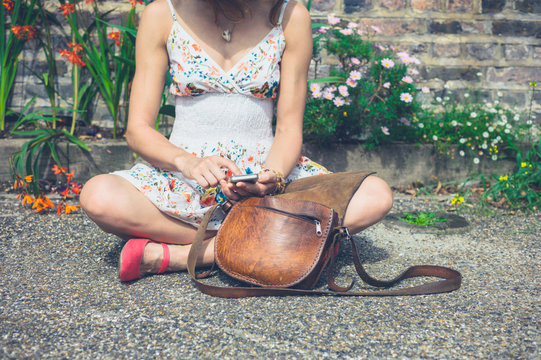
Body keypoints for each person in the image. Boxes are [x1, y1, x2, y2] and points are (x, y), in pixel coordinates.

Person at [80, 0, 393, 282]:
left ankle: (193, 254)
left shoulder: (290, 16)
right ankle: (281, 243)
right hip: (186, 176)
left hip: (266, 179)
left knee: (375, 196)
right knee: (99, 196)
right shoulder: (162, 15)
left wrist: (270, 177)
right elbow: (137, 129)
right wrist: (187, 163)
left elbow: (288, 129)